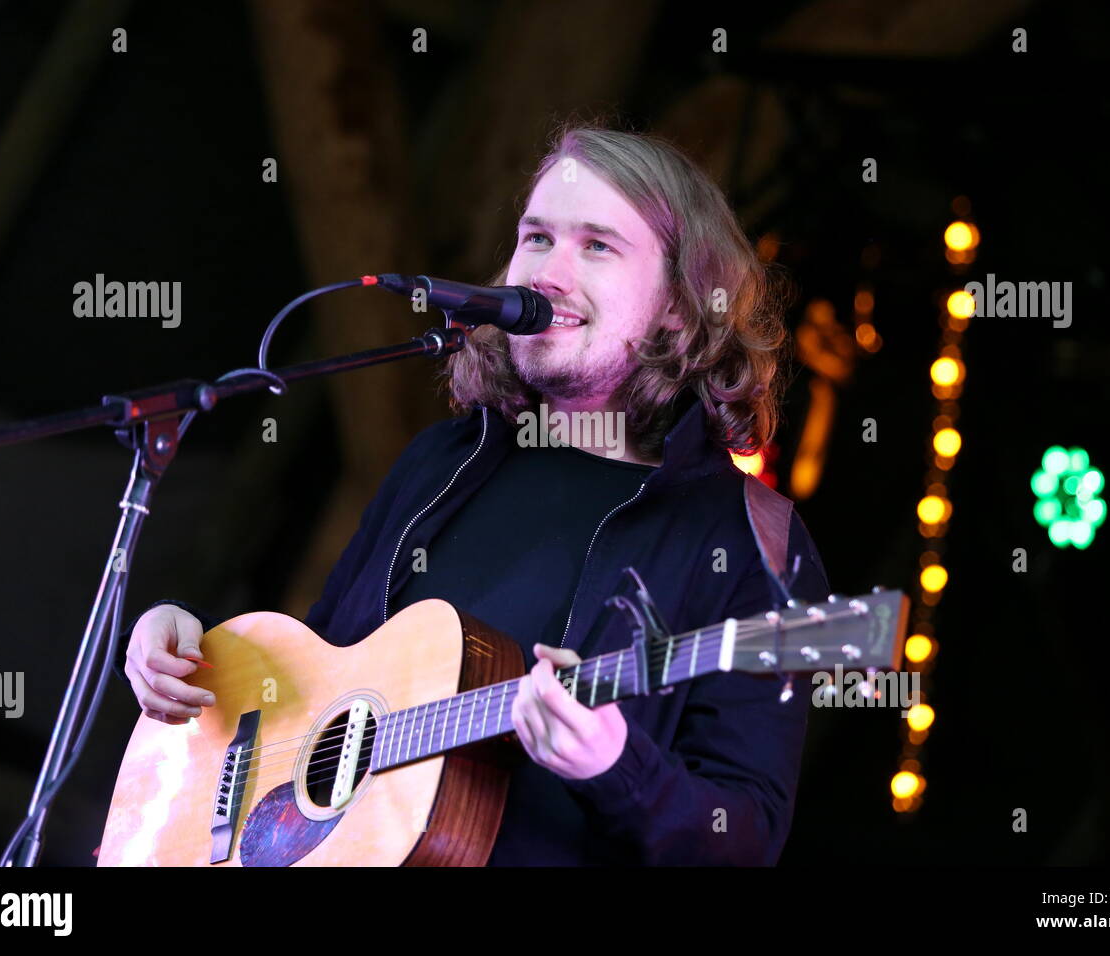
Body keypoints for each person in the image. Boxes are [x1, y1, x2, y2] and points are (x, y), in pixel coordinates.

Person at [116, 123, 830, 865]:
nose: (549, 272)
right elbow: (313, 680)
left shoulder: (747, 541)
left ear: (680, 306)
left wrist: (618, 769)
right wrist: (201, 654)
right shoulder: (444, 461)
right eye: (537, 238)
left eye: (597, 246)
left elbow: (743, 838)